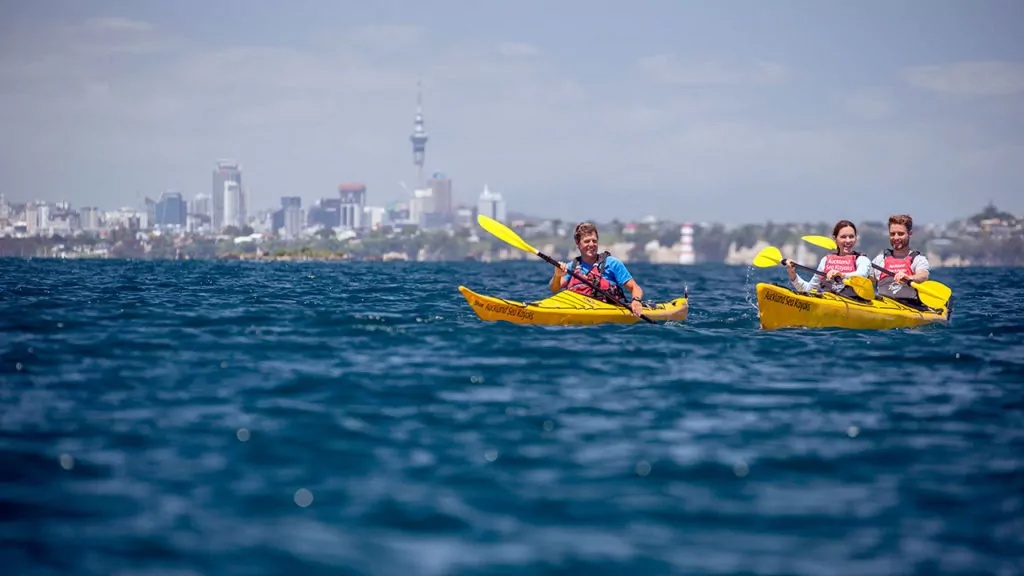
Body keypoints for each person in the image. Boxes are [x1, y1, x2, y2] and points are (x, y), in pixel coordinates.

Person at [549, 222, 645, 317]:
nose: (592, 244)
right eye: (587, 241)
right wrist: (557, 275)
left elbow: (635, 288)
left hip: (609, 317)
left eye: (594, 241)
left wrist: (636, 301)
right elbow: (554, 288)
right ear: (577, 243)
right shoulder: (572, 267)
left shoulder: (612, 263)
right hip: (578, 314)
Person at [786, 219, 872, 300]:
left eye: (851, 237)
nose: (848, 240)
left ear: (856, 238)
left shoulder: (862, 260)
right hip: (828, 301)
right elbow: (809, 289)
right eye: (843, 237)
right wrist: (792, 273)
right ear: (835, 239)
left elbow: (861, 275)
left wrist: (841, 274)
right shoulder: (826, 260)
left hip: (853, 302)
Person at [872, 214, 930, 306]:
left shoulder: (918, 260)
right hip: (883, 305)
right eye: (892, 234)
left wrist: (910, 277)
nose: (896, 238)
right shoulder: (880, 260)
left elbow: (923, 275)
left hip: (909, 306)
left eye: (900, 234)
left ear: (910, 233)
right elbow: (867, 279)